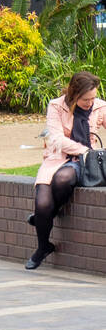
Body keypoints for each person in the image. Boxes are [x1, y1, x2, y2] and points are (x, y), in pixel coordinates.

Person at [27, 71, 106, 270]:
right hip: (56, 159)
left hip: (85, 163)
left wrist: (89, 154)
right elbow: (56, 139)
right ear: (74, 94)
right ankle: (44, 246)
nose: (90, 103)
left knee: (63, 178)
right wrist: (84, 149)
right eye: (85, 99)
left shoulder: (100, 106)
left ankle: (42, 219)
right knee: (42, 203)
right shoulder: (56, 105)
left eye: (93, 98)